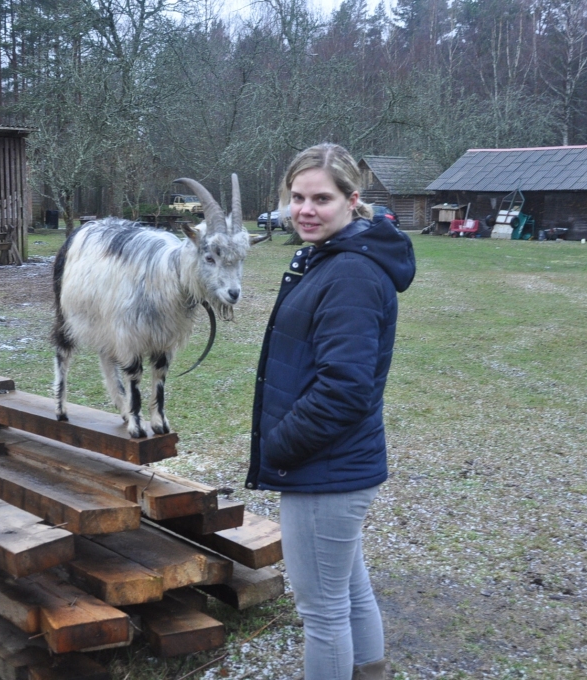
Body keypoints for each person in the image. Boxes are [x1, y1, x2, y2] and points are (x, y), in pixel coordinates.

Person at [245, 144, 415, 680]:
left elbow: (344, 389)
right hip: (337, 465)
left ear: (352, 200)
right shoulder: (332, 259)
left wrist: (278, 445)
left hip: (325, 470)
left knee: (322, 612)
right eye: (297, 197)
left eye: (321, 197)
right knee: (348, 588)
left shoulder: (350, 276)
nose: (305, 210)